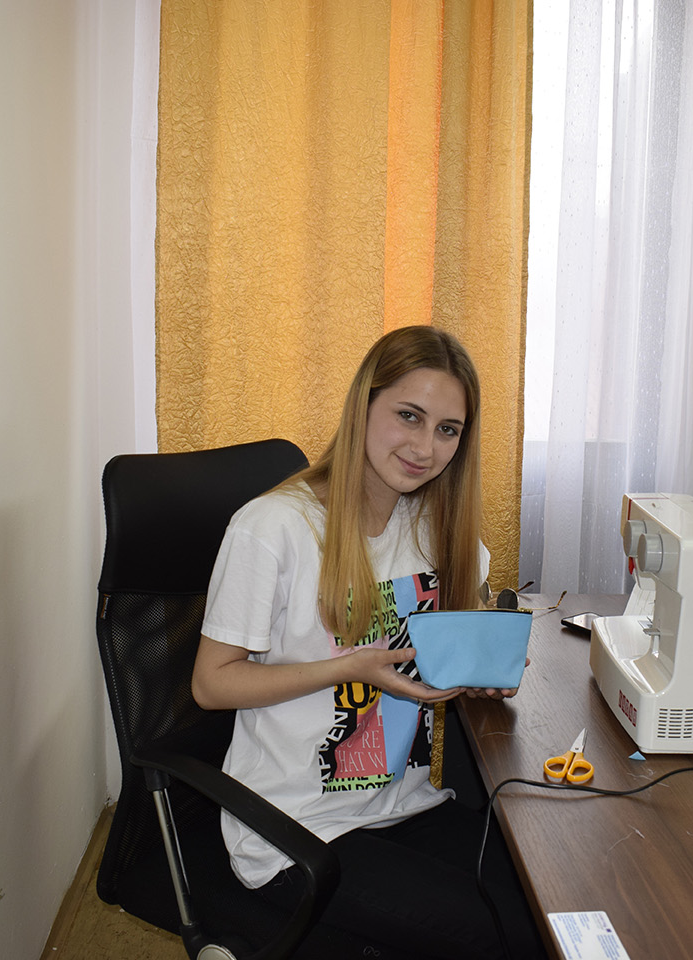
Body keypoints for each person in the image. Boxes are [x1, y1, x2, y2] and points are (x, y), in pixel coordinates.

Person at [192, 325, 544, 959]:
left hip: (404, 802)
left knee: (550, 905)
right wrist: (348, 668)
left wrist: (480, 670)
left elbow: (445, 648)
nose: (425, 447)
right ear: (364, 405)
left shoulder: (433, 526)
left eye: (447, 429)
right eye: (408, 416)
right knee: (509, 938)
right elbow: (211, 683)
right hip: (298, 829)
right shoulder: (274, 527)